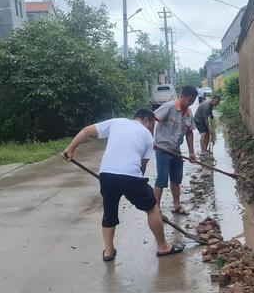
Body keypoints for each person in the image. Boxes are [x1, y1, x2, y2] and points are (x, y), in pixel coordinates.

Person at [62, 109, 185, 261]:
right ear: (146, 120)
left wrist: (70, 149)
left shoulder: (116, 122)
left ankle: (108, 251)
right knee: (152, 208)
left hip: (106, 175)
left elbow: (87, 130)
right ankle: (163, 247)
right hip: (130, 176)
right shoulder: (147, 136)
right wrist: (132, 189)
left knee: (109, 212)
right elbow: (142, 168)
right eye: (152, 125)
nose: (151, 129)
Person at [154, 85, 198, 215]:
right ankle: (156, 210)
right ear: (181, 96)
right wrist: (150, 141)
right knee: (162, 179)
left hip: (175, 149)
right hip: (162, 149)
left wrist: (191, 152)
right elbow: (153, 120)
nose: (191, 103)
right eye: (189, 100)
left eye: (193, 100)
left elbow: (189, 133)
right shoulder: (169, 107)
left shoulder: (188, 112)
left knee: (176, 178)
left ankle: (177, 205)